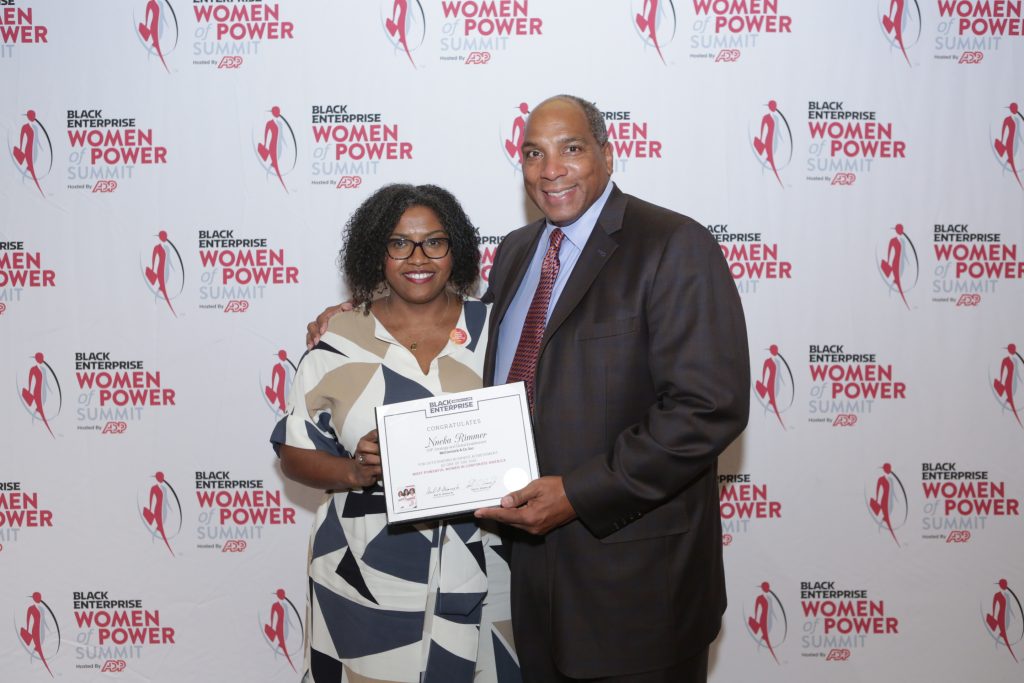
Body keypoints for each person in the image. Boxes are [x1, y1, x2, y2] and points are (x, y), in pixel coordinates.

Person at [309, 96, 750, 683]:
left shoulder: (671, 244)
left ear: (608, 154)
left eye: (572, 149)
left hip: (635, 587)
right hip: (529, 587)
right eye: (534, 154)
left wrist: (576, 494)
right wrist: (362, 311)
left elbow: (708, 408)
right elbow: (470, 354)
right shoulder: (519, 252)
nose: (551, 170)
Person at [273, 184, 519, 683]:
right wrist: (355, 470)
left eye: (434, 242)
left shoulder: (501, 329)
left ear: (456, 250)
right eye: (399, 243)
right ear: (376, 253)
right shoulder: (337, 339)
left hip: (485, 561)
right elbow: (294, 452)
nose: (418, 257)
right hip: (364, 571)